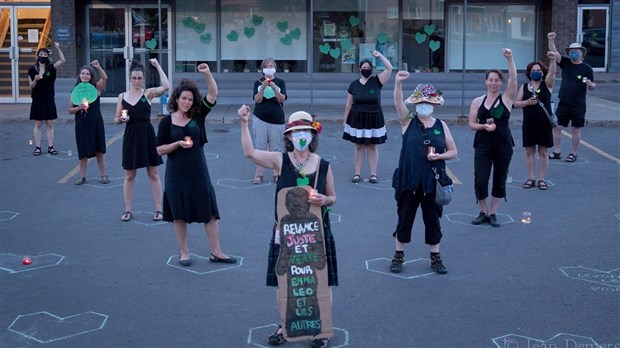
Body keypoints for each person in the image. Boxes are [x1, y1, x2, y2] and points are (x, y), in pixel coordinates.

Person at [238, 105, 337, 348]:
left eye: (306, 131)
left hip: (317, 232)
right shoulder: (280, 161)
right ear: (289, 136)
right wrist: (243, 123)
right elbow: (250, 153)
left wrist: (325, 200)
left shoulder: (323, 165)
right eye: (296, 132)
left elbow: (333, 197)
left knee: (319, 280)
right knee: (285, 280)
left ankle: (321, 329)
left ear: (313, 135)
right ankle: (284, 325)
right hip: (285, 233)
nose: (301, 136)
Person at [156, 64, 235, 266]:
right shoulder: (166, 122)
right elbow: (158, 149)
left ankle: (216, 252)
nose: (187, 102)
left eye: (190, 99)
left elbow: (213, 92)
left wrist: (207, 73)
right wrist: (176, 144)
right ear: (176, 99)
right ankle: (184, 252)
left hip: (199, 173)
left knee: (210, 213)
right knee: (179, 215)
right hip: (176, 175)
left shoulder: (197, 116)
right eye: (183, 98)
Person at [390, 73, 457, 274]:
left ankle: (435, 257)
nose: (424, 105)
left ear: (434, 104)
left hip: (432, 182)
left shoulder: (440, 125)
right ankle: (398, 256)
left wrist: (439, 157)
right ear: (415, 103)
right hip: (409, 180)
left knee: (433, 220)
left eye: (428, 102)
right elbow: (397, 103)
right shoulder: (407, 121)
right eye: (420, 102)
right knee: (404, 219)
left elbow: (453, 151)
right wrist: (398, 82)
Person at [468, 48, 517, 228]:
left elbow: (514, 79)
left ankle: (494, 212)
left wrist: (510, 59)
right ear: (486, 81)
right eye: (491, 80)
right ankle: (484, 211)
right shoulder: (477, 101)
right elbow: (471, 124)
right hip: (483, 144)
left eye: (497, 80)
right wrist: (483, 127)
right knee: (480, 178)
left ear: (501, 82)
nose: (493, 83)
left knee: (499, 178)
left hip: (503, 144)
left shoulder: (507, 98)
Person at [115, 59, 169, 222]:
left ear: (143, 78)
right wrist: (121, 120)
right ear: (130, 79)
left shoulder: (148, 94)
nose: (137, 81)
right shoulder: (122, 96)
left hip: (147, 135)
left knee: (153, 173)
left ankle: (159, 209)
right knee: (129, 175)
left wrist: (158, 65)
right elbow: (117, 118)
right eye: (134, 78)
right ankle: (128, 209)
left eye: (139, 78)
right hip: (130, 136)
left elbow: (166, 86)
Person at [342, 51, 393, 184]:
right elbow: (349, 103)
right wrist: (345, 120)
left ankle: (373, 174)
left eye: (368, 68)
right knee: (359, 146)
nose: (366, 70)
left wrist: (380, 56)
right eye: (363, 68)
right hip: (357, 118)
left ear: (372, 69)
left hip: (374, 117)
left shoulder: (377, 80)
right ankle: (357, 173)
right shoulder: (353, 84)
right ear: (359, 69)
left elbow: (390, 68)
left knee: (372, 146)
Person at [547, 32, 596, 162]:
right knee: (557, 127)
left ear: (581, 53)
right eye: (571, 51)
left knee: (576, 129)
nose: (573, 53)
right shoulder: (566, 63)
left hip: (578, 104)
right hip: (564, 102)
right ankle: (556, 151)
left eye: (576, 51)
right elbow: (554, 53)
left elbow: (593, 85)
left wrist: (591, 85)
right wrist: (550, 40)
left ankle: (573, 153)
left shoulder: (587, 68)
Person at [514, 48, 558, 191]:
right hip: (529, 123)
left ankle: (542, 179)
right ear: (529, 73)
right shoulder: (525, 87)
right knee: (529, 151)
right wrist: (526, 102)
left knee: (543, 152)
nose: (536, 72)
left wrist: (552, 60)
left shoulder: (547, 84)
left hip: (544, 123)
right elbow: (516, 103)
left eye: (538, 70)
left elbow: (552, 73)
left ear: (542, 72)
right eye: (533, 70)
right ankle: (531, 178)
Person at [68, 61, 109, 185]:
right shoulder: (75, 91)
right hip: (81, 124)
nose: (84, 75)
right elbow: (70, 110)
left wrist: (97, 67)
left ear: (91, 77)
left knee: (99, 151)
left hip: (95, 123)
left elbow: (104, 77)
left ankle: (104, 175)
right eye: (82, 73)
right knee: (82, 151)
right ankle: (82, 176)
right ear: (79, 76)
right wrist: (79, 108)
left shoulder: (96, 88)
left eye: (87, 74)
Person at [251, 57, 287, 184]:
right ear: (262, 69)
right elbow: (257, 100)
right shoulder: (258, 82)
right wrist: (262, 88)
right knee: (260, 147)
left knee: (276, 148)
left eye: (271, 66)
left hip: (277, 119)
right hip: (260, 118)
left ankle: (277, 174)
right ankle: (258, 175)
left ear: (275, 68)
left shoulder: (280, 82)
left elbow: (282, 99)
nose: (269, 68)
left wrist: (274, 88)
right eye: (266, 66)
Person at [28, 42, 65, 156]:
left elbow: (62, 60)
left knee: (50, 124)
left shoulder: (51, 68)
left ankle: (50, 147)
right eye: (41, 54)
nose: (43, 56)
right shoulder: (32, 69)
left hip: (49, 99)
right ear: (37, 55)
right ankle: (38, 147)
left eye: (45, 54)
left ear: (47, 56)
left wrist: (58, 48)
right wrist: (35, 80)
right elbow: (30, 86)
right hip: (38, 100)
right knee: (38, 124)